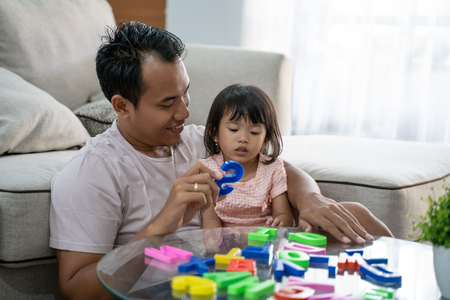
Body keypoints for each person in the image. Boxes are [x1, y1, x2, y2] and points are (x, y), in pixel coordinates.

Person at [49, 22, 392, 299]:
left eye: (186, 92)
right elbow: (76, 288)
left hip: (240, 272)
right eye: (168, 103)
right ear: (122, 106)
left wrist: (310, 198)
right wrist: (161, 227)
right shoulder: (90, 174)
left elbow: (276, 166)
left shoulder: (196, 140)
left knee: (358, 218)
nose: (184, 110)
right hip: (176, 287)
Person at [201, 84, 293, 228]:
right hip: (225, 243)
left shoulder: (274, 168)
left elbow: (283, 214)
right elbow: (210, 219)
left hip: (262, 241)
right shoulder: (208, 169)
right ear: (215, 133)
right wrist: (213, 246)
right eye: (234, 129)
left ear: (265, 139)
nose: (243, 138)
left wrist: (281, 221)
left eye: (254, 132)